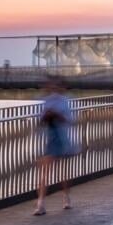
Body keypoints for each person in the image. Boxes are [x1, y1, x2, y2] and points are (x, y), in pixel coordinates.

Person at [34, 78, 77, 215]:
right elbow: (40, 120)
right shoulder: (46, 100)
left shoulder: (65, 101)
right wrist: (46, 116)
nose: (52, 88)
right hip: (49, 138)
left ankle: (63, 198)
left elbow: (70, 120)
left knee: (59, 171)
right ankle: (42, 203)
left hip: (60, 138)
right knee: (46, 170)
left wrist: (57, 115)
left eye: (55, 86)